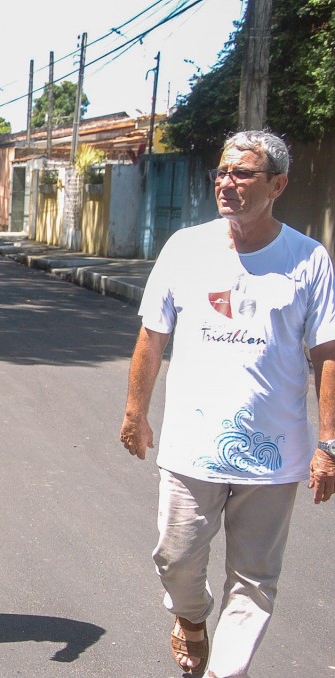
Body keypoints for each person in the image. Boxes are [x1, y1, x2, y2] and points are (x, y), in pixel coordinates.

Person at [119, 130, 335, 677]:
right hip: (192, 447)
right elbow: (152, 335)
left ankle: (226, 672)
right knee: (175, 556)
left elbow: (327, 355)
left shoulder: (308, 259)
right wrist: (135, 413)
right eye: (222, 171)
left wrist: (329, 444)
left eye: (242, 173)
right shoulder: (185, 248)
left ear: (277, 185)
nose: (226, 182)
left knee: (255, 579)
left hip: (274, 453)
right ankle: (191, 617)